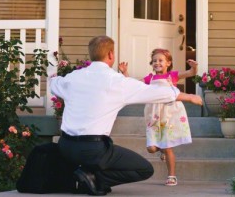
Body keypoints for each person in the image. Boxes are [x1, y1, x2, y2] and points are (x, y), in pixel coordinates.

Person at [50, 36, 202, 196]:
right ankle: (94, 178)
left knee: (96, 154)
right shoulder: (116, 81)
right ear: (110, 55)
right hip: (93, 150)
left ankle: (83, 175)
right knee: (144, 169)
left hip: (65, 146)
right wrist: (190, 97)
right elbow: (155, 92)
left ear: (91, 54)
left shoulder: (73, 77)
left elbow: (54, 84)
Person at [118, 48, 198, 186]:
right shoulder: (150, 78)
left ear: (168, 63)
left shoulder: (172, 76)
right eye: (154, 61)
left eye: (160, 60)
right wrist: (125, 73)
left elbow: (191, 73)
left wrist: (194, 67)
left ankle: (172, 176)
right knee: (151, 148)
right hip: (153, 115)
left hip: (169, 114)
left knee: (168, 147)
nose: (157, 63)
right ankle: (161, 150)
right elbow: (134, 85)